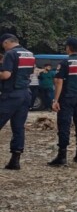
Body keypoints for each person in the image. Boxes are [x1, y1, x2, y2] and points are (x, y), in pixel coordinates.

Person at [49, 37, 77, 167]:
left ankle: (62, 156)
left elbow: (58, 81)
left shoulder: (65, 62)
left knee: (64, 125)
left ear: (68, 47)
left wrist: (55, 100)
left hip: (67, 97)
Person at [0, 34, 35, 170]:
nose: (4, 47)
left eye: (3, 44)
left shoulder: (11, 54)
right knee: (18, 127)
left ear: (8, 42)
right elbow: (30, 73)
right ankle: (15, 160)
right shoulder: (30, 54)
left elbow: (6, 75)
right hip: (26, 93)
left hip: (12, 94)